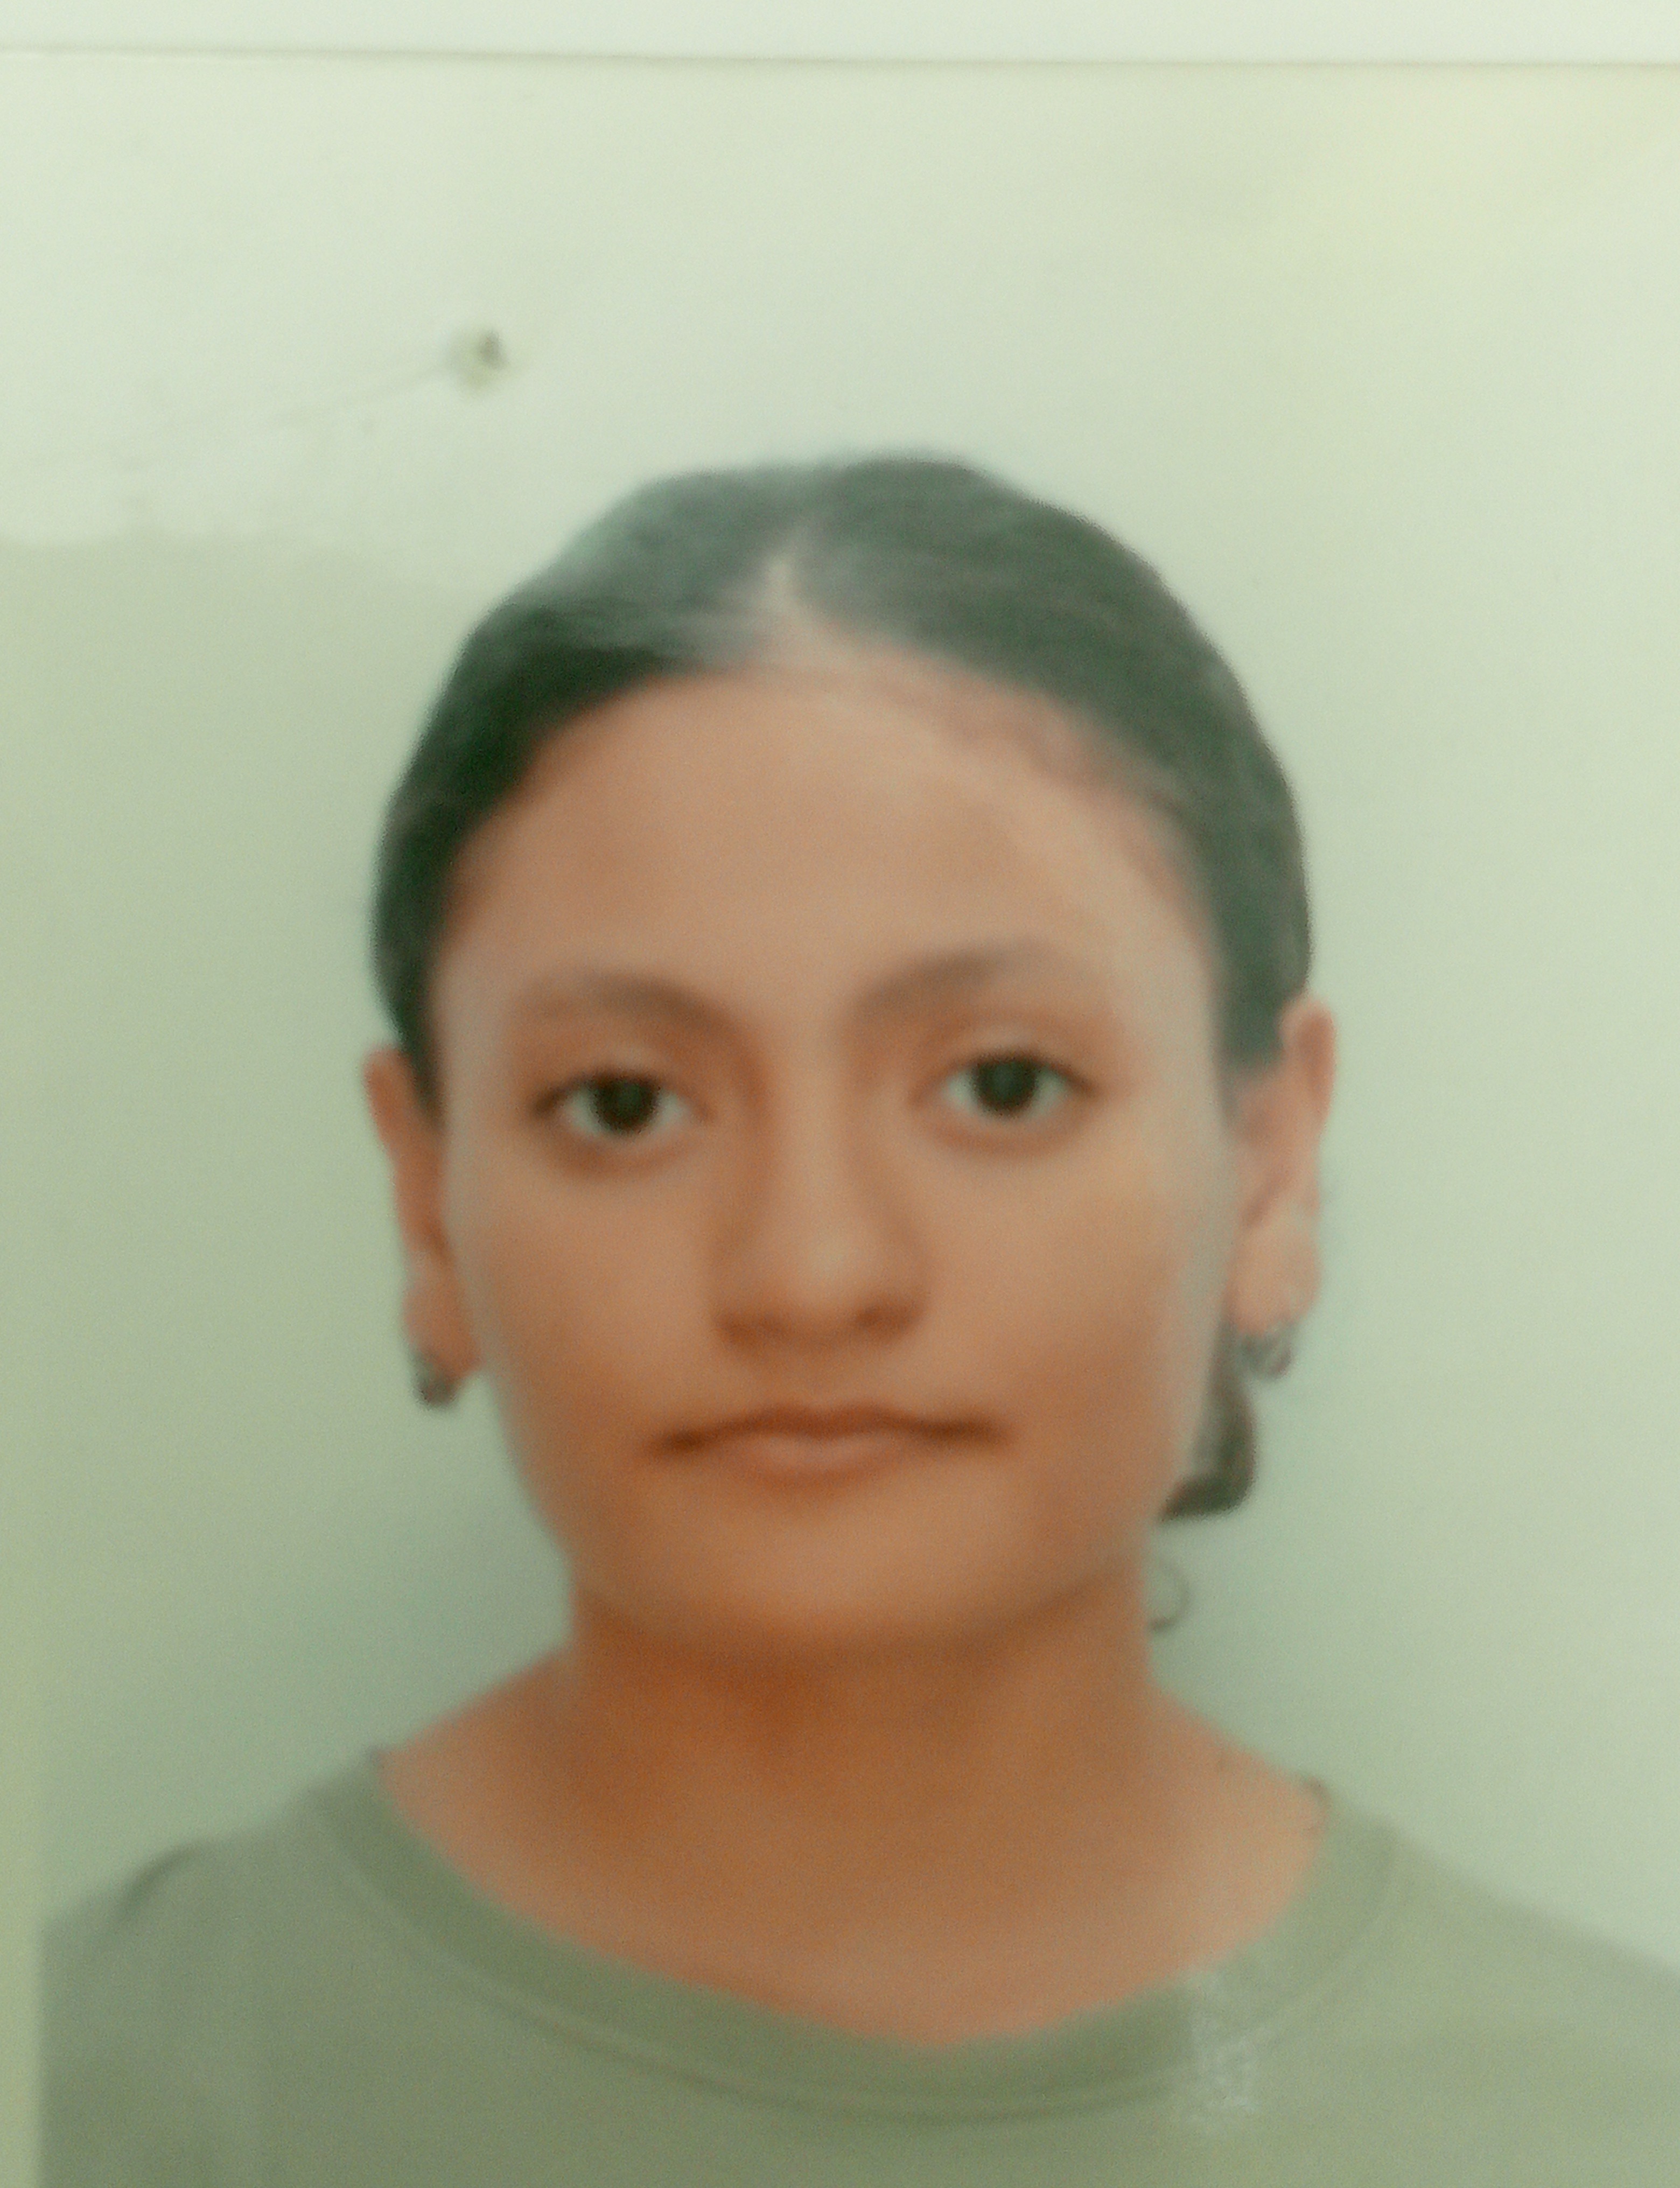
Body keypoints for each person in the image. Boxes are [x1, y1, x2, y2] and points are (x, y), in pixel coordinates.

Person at [43, 455, 1680, 2182]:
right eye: (625, 1104)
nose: (810, 1275)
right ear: (424, 1193)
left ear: (1267, 1169)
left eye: (1002, 1084)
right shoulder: (88, 2092)